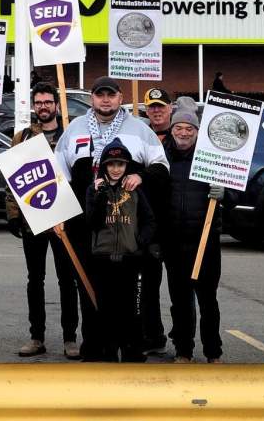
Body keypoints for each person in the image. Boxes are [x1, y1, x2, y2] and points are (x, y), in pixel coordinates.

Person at [54, 77, 169, 361]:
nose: (106, 100)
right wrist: (58, 216)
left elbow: (162, 167)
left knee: (127, 293)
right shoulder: (74, 129)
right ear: (92, 98)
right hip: (89, 227)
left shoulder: (140, 130)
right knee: (91, 288)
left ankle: (130, 345)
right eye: (100, 95)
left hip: (126, 229)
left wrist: (140, 175)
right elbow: (59, 176)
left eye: (111, 95)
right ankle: (95, 344)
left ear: (120, 98)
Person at [8, 82, 80, 360]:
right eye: (38, 102)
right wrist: (13, 214)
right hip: (34, 219)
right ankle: (36, 336)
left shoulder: (69, 135)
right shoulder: (23, 137)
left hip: (64, 219)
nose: (43, 106)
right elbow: (13, 179)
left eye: (48, 102)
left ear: (57, 105)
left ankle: (70, 337)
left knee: (67, 279)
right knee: (34, 279)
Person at [161, 108, 227, 364]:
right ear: (172, 129)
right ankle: (183, 351)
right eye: (179, 127)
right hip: (174, 241)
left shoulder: (211, 159)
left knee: (208, 299)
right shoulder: (163, 158)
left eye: (190, 128)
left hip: (205, 240)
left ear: (198, 132)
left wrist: (225, 193)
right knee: (180, 301)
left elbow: (234, 195)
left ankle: (213, 351)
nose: (184, 133)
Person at [85, 139, 157, 362]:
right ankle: (106, 351)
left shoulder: (135, 189)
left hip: (130, 259)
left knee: (131, 310)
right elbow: (91, 222)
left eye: (121, 164)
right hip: (102, 259)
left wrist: (139, 243)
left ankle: (132, 350)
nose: (116, 169)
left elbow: (149, 220)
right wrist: (99, 197)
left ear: (127, 166)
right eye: (111, 164)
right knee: (105, 309)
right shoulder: (94, 189)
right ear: (104, 166)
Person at [138, 86, 173, 355]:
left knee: (181, 288)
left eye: (161, 106)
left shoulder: (183, 137)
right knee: (147, 286)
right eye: (152, 107)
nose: (157, 111)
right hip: (148, 225)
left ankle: (185, 342)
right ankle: (152, 335)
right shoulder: (142, 138)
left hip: (176, 223)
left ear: (169, 108)